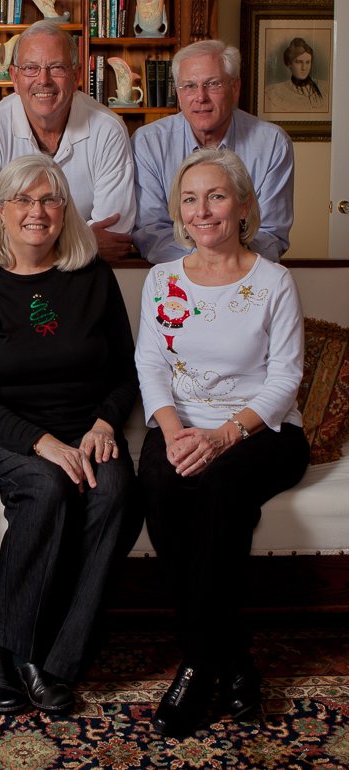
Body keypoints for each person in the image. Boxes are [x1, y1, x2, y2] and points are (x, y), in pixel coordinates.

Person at [0, 154, 140, 714]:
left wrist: (105, 422)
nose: (38, 212)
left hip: (87, 429)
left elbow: (127, 370)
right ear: (1, 210)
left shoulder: (94, 278)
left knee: (117, 494)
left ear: (65, 211)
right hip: (5, 435)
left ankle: (51, 659)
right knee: (48, 486)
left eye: (50, 199)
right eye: (23, 201)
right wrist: (42, 444)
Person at [135, 147, 310, 737]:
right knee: (158, 479)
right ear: (178, 214)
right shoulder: (161, 279)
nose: (202, 209)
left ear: (242, 206)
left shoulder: (273, 281)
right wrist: (173, 431)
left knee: (221, 487)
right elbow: (150, 364)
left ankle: (196, 667)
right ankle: (232, 659)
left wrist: (226, 434)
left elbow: (287, 378)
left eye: (215, 196)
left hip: (262, 430)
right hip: (179, 424)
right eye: (190, 198)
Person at [0, 20, 136, 261]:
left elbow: (114, 235)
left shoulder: (109, 130)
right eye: (30, 68)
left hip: (85, 277)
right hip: (11, 276)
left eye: (56, 67)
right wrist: (84, 241)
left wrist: (29, 239)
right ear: (14, 76)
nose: (43, 80)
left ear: (76, 75)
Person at [131, 39, 294, 265]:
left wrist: (226, 267)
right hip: (178, 273)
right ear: (178, 94)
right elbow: (152, 232)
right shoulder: (147, 143)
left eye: (213, 84)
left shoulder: (274, 144)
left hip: (247, 275)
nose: (200, 97)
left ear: (235, 88)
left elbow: (270, 234)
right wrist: (201, 266)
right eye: (189, 86)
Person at [265, 38, 329, 113]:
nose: (304, 68)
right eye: (299, 62)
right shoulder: (275, 92)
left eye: (308, 62)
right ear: (289, 64)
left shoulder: (325, 88)